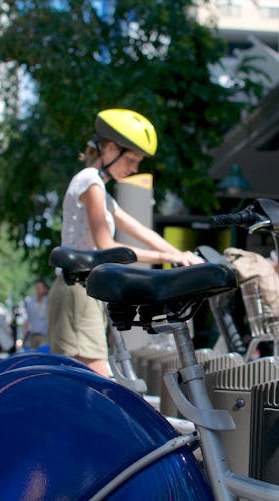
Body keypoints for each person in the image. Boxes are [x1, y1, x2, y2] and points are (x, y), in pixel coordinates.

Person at [47, 108, 202, 377]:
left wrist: (179, 254)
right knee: (95, 378)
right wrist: (167, 258)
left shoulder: (101, 191)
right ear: (109, 148)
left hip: (84, 291)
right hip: (77, 291)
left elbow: (140, 230)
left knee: (80, 381)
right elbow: (106, 247)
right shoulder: (90, 183)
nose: (134, 168)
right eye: (131, 159)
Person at [23, 279, 49, 349]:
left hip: (45, 334)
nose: (38, 290)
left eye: (40, 287)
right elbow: (29, 319)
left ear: (45, 289)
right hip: (33, 334)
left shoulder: (49, 302)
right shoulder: (30, 303)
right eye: (37, 287)